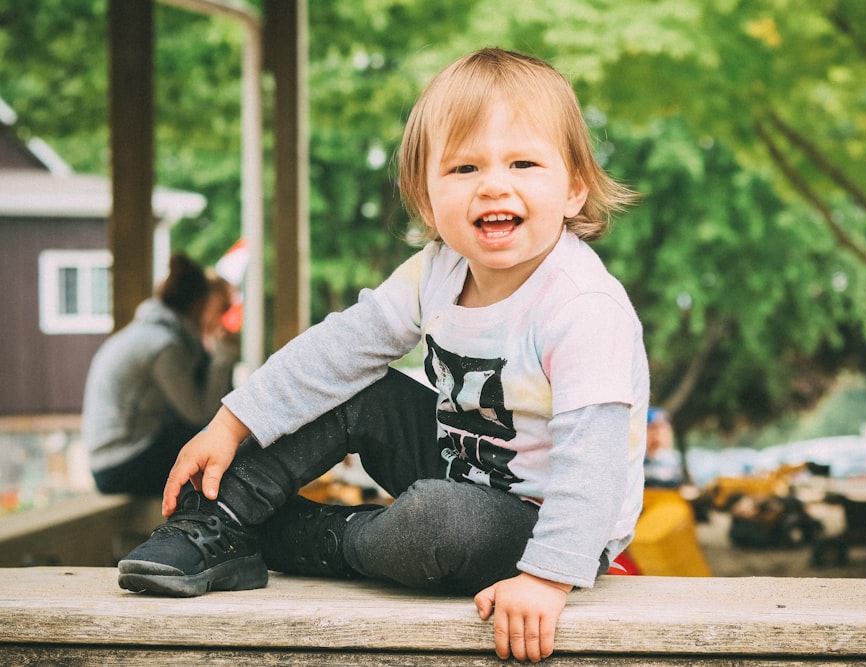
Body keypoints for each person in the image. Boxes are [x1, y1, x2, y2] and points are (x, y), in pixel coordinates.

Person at [117, 48, 648, 664]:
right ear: (427, 200)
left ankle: (307, 538)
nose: (494, 184)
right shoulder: (437, 270)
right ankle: (223, 517)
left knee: (439, 523)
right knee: (355, 383)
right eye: (464, 168)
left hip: (547, 526)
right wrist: (232, 422)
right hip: (459, 466)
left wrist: (548, 579)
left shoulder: (583, 308)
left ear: (574, 188)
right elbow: (337, 349)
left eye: (524, 163)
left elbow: (595, 462)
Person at [81, 254, 239, 496]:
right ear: (199, 304)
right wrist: (223, 358)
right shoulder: (164, 346)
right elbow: (199, 416)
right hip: (121, 464)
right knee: (218, 444)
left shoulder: (147, 334)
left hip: (109, 461)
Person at [644, 407, 684, 487]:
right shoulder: (634, 461)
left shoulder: (675, 461)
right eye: (652, 428)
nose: (658, 435)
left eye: (664, 429)